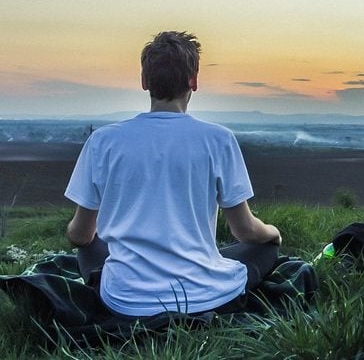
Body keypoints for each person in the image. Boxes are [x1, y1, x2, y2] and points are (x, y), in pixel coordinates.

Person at [64, 31, 281, 317]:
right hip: (205, 297)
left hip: (125, 301)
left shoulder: (103, 141)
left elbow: (79, 236)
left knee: (90, 244)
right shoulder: (218, 139)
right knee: (264, 249)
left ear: (144, 81)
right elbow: (245, 232)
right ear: (194, 81)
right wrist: (273, 233)